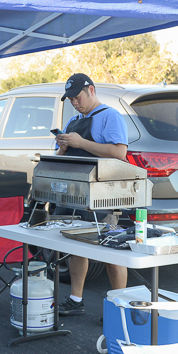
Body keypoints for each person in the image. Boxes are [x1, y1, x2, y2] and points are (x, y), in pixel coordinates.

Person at [54, 73, 129, 316]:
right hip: (76, 193)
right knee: (76, 244)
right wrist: (64, 146)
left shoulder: (110, 116)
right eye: (71, 99)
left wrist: (81, 142)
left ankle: (119, 306)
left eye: (77, 97)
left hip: (104, 194)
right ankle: (76, 299)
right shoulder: (74, 121)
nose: (75, 103)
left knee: (110, 250)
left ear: (91, 90)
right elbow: (58, 159)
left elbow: (119, 153)